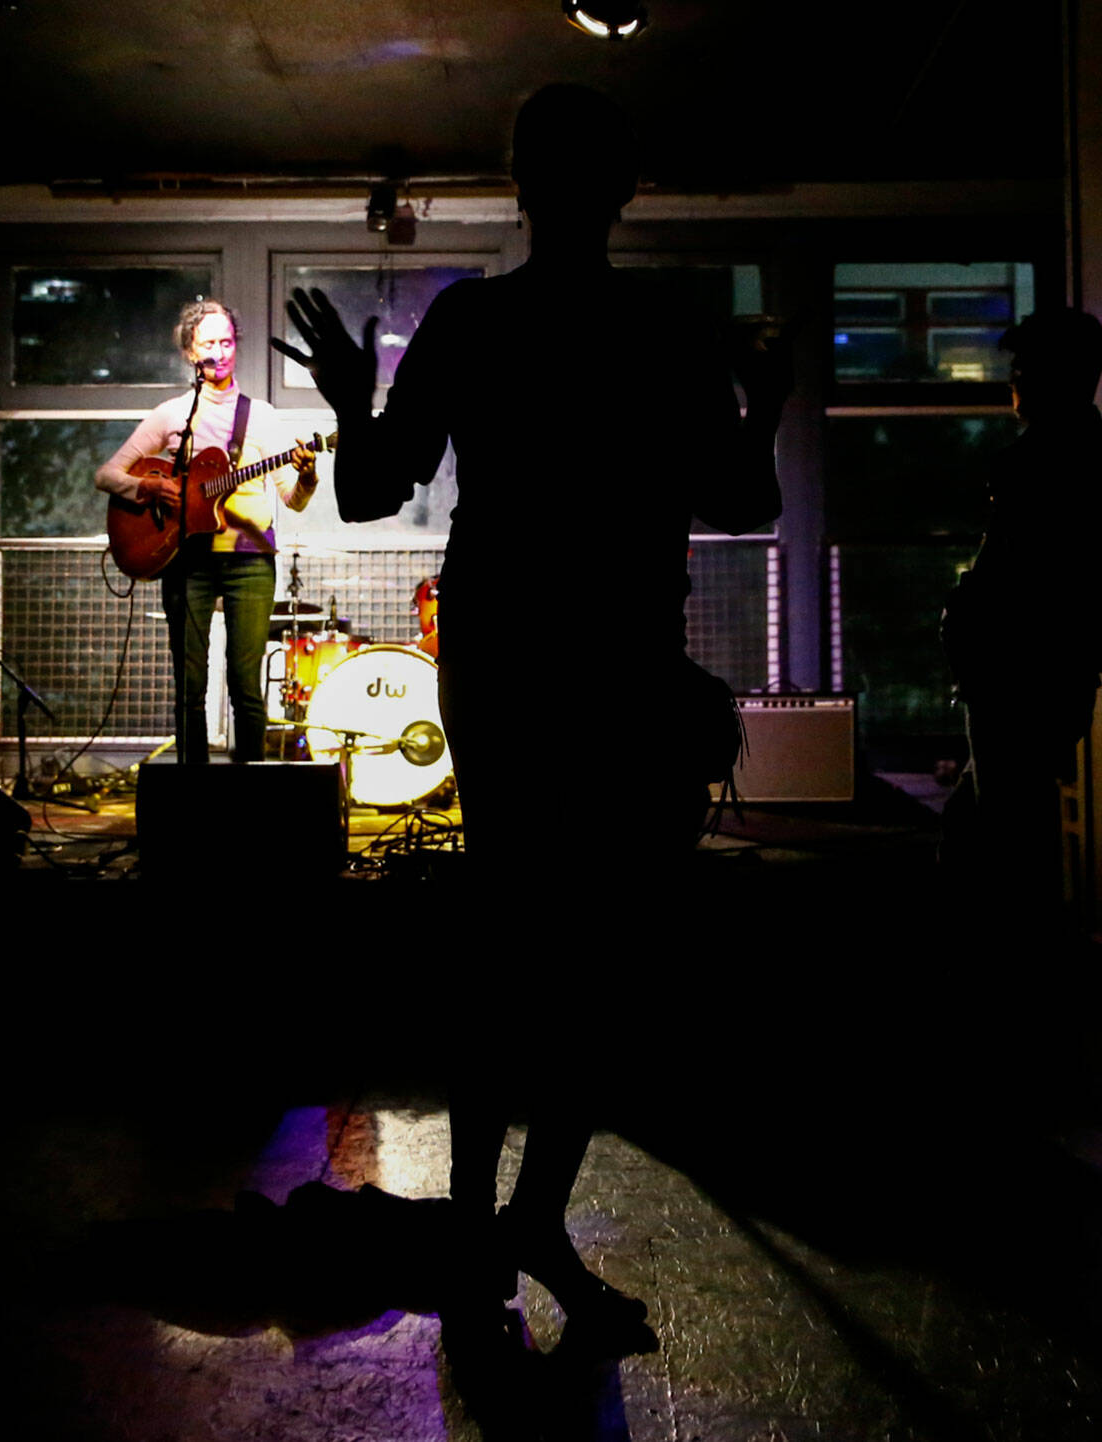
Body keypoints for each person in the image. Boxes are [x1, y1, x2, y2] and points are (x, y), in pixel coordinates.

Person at [272, 84, 790, 1359]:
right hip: (621, 663)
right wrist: (762, 396)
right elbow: (743, 502)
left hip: (504, 661)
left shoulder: (474, 318)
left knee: (506, 943)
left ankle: (477, 1245)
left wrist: (352, 396)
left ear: (518, 182)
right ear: (623, 187)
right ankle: (529, 1230)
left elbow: (377, 487)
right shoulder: (661, 324)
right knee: (595, 965)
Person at [940, 307, 1102, 925]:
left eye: (1024, 368)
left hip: (1014, 679)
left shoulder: (1041, 464)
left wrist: (972, 621)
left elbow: (1018, 582)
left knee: (1005, 835)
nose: (1014, 381)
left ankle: (1010, 973)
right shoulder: (1092, 457)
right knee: (995, 824)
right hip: (1041, 676)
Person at [95, 300, 320, 763]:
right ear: (190, 353)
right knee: (189, 686)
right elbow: (107, 475)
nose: (219, 351)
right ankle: (191, 793)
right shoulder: (172, 414)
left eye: (226, 342)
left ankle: (250, 789)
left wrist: (309, 475)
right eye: (209, 343)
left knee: (246, 686)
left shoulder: (262, 416)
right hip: (186, 560)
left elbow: (292, 498)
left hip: (251, 560)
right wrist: (150, 487)